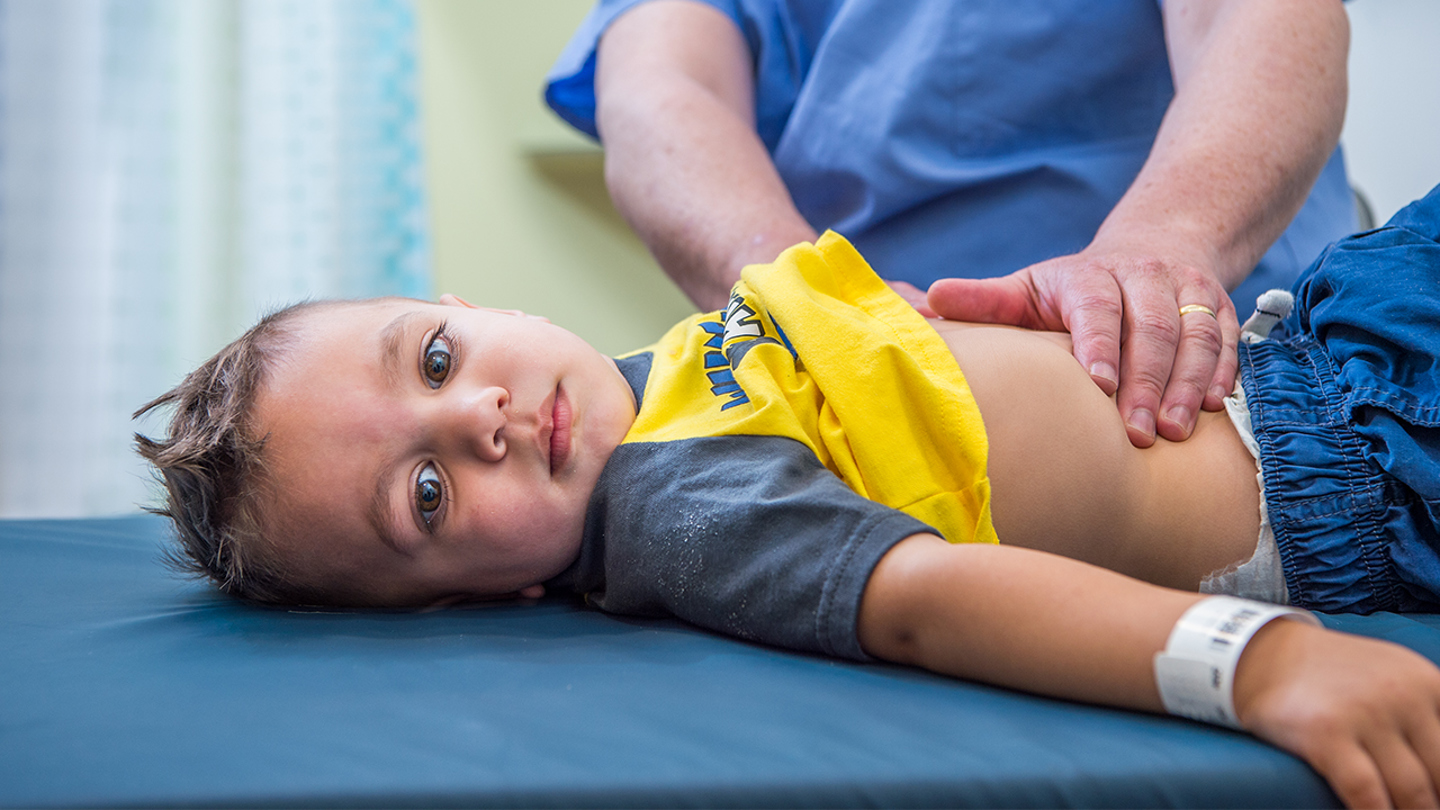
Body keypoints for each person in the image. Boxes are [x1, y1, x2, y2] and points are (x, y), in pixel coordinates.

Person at [136, 186, 1440, 809]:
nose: (472, 413)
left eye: (433, 358)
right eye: (422, 491)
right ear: (489, 591)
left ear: (467, 307)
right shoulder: (674, 506)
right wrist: (1260, 667)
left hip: (1317, 333)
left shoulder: (664, 376)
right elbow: (926, 600)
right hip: (1356, 467)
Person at [545, 0, 1357, 449]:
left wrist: (1162, 243)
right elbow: (658, 93)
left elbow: (1267, 18)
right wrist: (818, 302)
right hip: (871, 383)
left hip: (1240, 360)